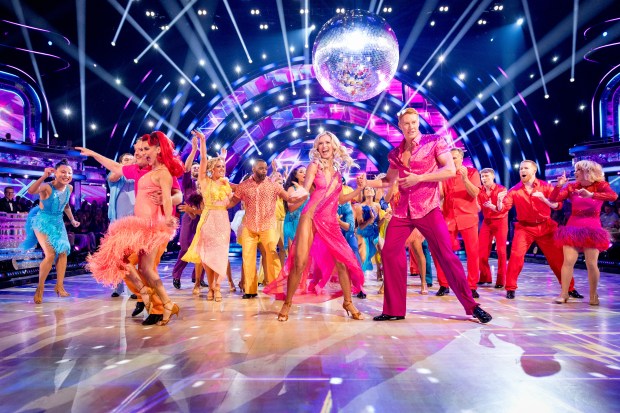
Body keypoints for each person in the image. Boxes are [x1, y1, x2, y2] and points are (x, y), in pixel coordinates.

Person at [364, 108, 492, 323]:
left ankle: (472, 306)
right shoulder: (395, 153)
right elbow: (388, 180)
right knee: (389, 253)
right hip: (403, 210)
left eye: (414, 122)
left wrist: (420, 178)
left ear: (418, 123)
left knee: (446, 255)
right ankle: (394, 309)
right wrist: (365, 183)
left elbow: (449, 170)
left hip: (428, 208)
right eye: (406, 123)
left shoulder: (434, 142)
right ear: (400, 126)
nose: (411, 126)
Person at [80, 132, 183, 326]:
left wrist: (166, 207)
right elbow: (116, 167)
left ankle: (159, 307)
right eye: (138, 150)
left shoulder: (163, 172)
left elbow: (176, 196)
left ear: (155, 149)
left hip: (154, 227)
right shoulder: (136, 170)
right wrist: (93, 153)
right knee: (120, 261)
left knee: (146, 269)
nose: (140, 153)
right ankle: (147, 297)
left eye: (144, 149)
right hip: (135, 227)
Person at [265, 131, 366, 321]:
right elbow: (306, 188)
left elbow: (341, 198)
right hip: (310, 217)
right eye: (321, 143)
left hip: (330, 221)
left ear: (334, 146)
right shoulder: (314, 166)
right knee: (300, 263)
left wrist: (359, 189)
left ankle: (348, 302)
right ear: (317, 148)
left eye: (328, 142)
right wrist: (294, 196)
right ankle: (287, 303)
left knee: (342, 262)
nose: (324, 146)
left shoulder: (337, 173)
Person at [497, 160, 582, 300]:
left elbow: (558, 205)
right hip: (525, 228)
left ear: (533, 171)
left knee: (557, 259)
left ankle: (569, 288)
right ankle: (510, 288)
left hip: (546, 227)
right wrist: (499, 201)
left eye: (525, 168)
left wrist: (555, 190)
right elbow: (503, 209)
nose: (522, 171)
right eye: (520, 168)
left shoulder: (545, 186)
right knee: (516, 256)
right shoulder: (514, 190)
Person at [227, 160, 300, 299]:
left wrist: (300, 195)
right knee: (248, 257)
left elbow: (288, 198)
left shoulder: (273, 186)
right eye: (261, 168)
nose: (264, 171)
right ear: (253, 169)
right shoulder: (244, 186)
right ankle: (250, 290)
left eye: (265, 169)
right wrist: (218, 206)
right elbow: (232, 202)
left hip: (268, 226)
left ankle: (278, 289)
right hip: (249, 226)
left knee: (272, 255)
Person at [549, 161, 618, 305]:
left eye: (578, 170)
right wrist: (559, 184)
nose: (575, 173)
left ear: (588, 172)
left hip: (592, 229)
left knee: (591, 264)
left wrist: (591, 194)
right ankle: (564, 294)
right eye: (575, 170)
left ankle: (593, 295)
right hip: (572, 228)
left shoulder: (601, 185)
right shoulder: (572, 186)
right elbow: (553, 199)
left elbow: (613, 197)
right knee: (568, 262)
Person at [182, 130, 233, 301]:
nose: (222, 169)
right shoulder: (205, 181)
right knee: (208, 255)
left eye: (223, 167)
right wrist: (202, 142)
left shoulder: (226, 184)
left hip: (223, 221)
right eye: (218, 166)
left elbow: (231, 200)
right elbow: (203, 159)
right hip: (208, 219)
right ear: (211, 169)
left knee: (220, 254)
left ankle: (217, 287)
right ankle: (211, 287)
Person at [21, 160, 80, 304]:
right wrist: (43, 176)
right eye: (63, 172)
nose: (67, 175)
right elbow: (31, 191)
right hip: (43, 221)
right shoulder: (47, 187)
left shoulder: (70, 188)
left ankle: (59, 286)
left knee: (64, 251)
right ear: (55, 173)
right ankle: (40, 287)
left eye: (69, 173)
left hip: (58, 222)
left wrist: (72, 220)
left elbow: (66, 205)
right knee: (51, 254)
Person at [435, 148, 481, 298]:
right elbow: (441, 195)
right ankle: (444, 284)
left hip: (468, 217)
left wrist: (465, 178)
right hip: (449, 218)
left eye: (454, 158)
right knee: (441, 250)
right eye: (449, 158)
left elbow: (474, 193)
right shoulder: (445, 175)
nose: (451, 161)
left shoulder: (472, 172)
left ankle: (472, 286)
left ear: (461, 159)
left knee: (473, 253)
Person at [171, 135, 206, 290]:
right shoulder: (187, 183)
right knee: (185, 247)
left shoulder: (206, 184)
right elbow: (186, 167)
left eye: (199, 167)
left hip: (203, 217)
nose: (196, 169)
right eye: (194, 168)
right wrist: (193, 150)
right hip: (188, 218)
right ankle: (176, 275)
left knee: (203, 248)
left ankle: (197, 277)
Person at [107, 153, 136, 297]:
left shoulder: (138, 177)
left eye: (132, 160)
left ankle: (133, 289)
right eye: (126, 160)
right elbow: (113, 176)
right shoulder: (116, 177)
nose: (129, 162)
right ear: (120, 162)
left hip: (135, 223)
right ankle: (117, 287)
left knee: (132, 257)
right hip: (117, 222)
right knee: (117, 256)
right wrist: (124, 168)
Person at [477, 168, 508, 289]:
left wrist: (495, 205)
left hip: (500, 221)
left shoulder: (501, 189)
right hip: (487, 221)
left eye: (486, 176)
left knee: (501, 251)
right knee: (481, 251)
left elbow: (503, 208)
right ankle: (485, 277)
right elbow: (478, 207)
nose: (484, 179)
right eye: (482, 177)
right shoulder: (479, 191)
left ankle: (501, 280)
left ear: (493, 176)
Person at [283, 165, 308, 252]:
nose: (304, 173)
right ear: (295, 176)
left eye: (306, 171)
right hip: (294, 223)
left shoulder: (310, 189)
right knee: (294, 255)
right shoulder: (291, 189)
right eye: (301, 172)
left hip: (307, 223)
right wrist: (303, 197)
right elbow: (291, 208)